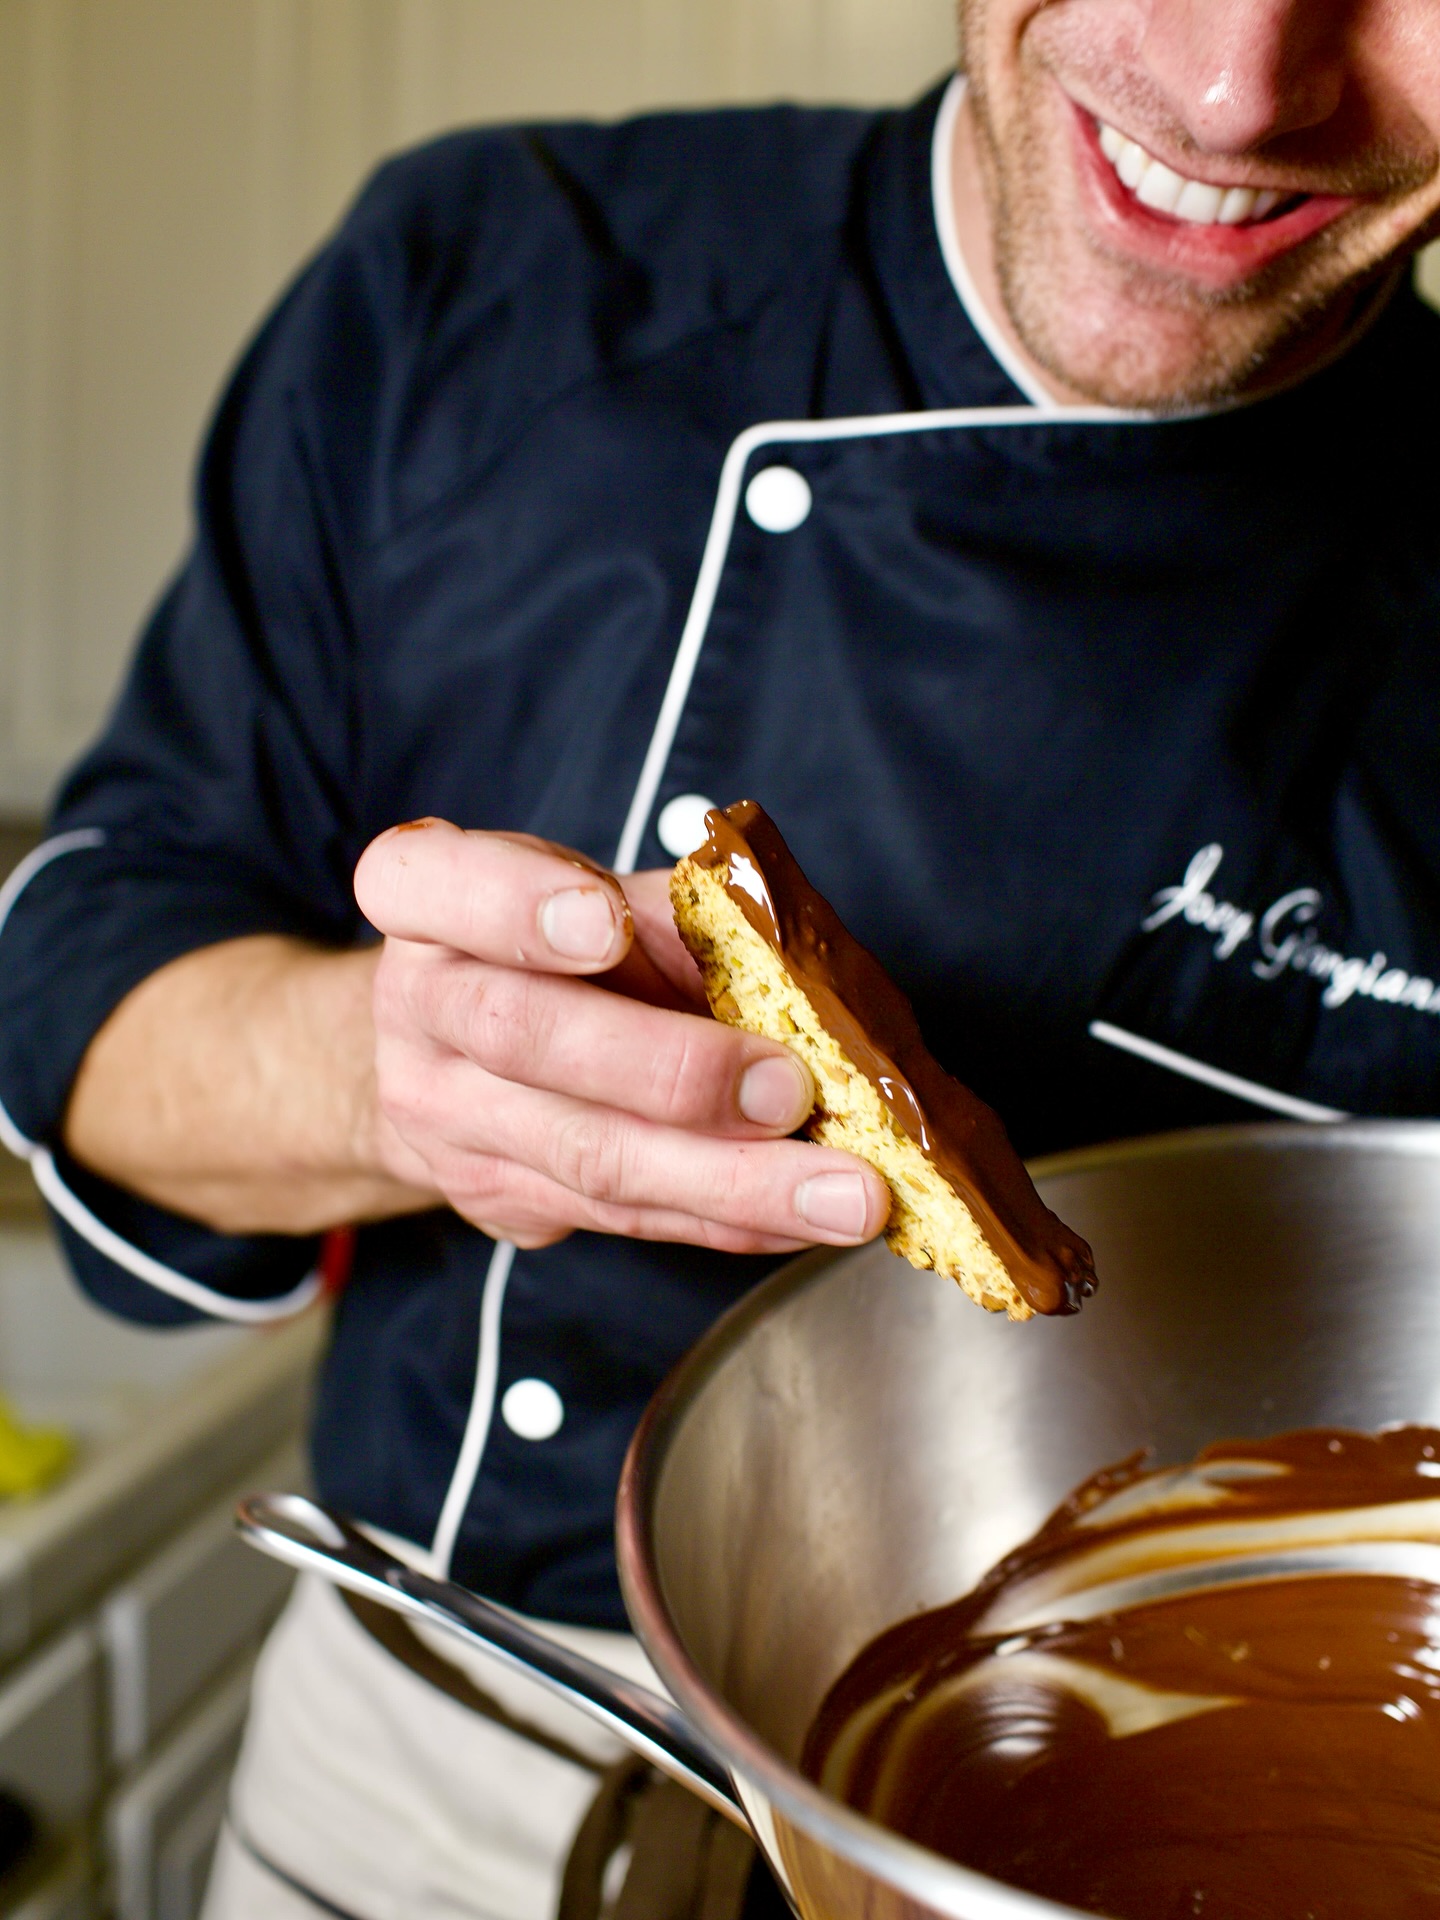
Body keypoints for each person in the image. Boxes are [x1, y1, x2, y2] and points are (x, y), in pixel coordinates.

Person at [4, 0, 1440, 1913]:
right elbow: (80, 980)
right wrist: (402, 1075)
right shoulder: (488, 281)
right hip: (444, 1756)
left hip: (1197, 1815)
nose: (1239, 84)